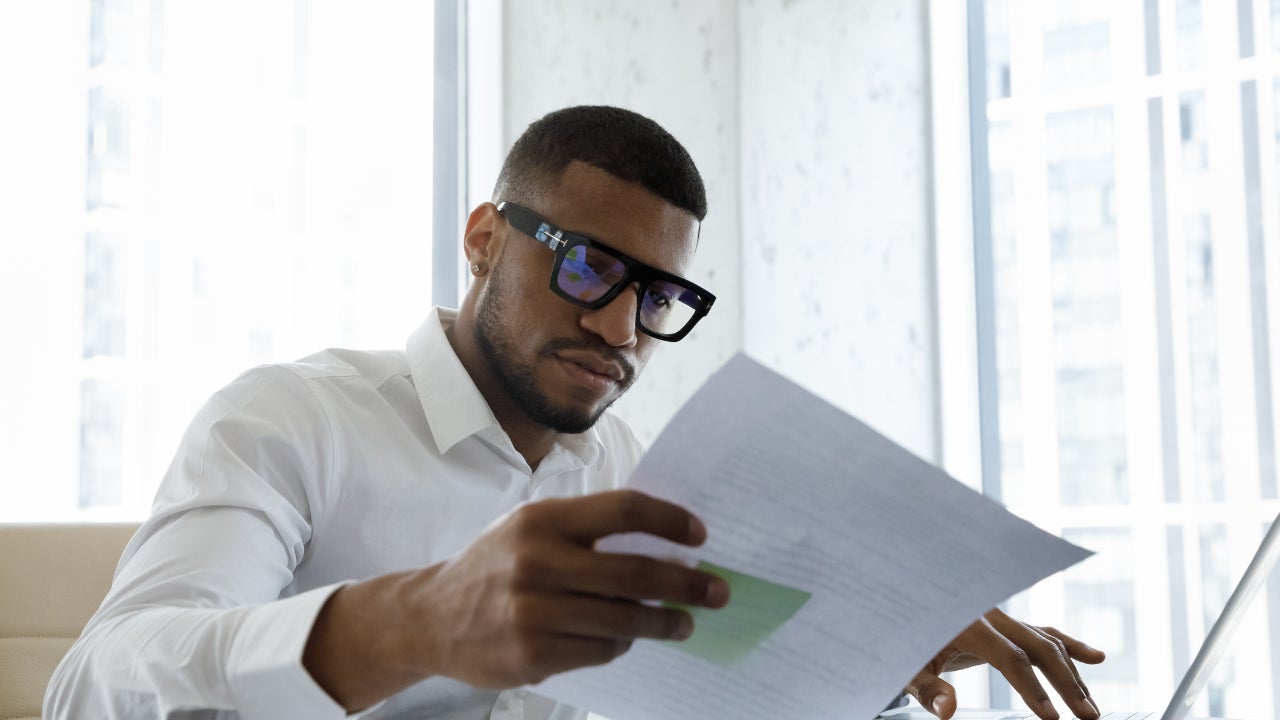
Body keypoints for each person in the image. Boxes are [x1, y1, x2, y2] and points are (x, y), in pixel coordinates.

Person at [45, 105, 1105, 720]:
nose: (620, 329)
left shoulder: (636, 479)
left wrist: (866, 650)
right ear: (483, 242)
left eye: (658, 296)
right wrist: (413, 623)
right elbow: (91, 686)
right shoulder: (288, 421)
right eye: (589, 267)